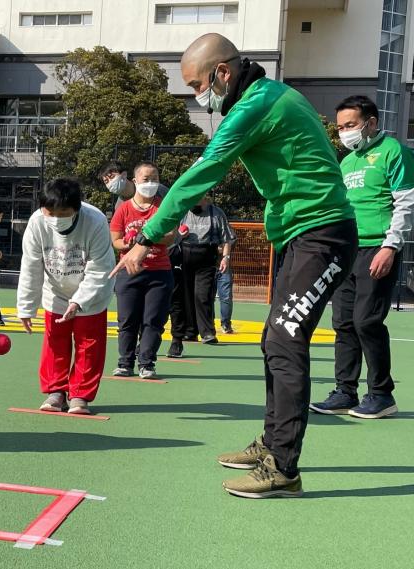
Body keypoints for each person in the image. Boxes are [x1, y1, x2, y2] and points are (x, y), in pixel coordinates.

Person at [113, 33, 356, 498]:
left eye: (197, 85)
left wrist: (145, 237)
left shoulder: (254, 107)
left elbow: (202, 172)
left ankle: (283, 467)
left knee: (285, 342)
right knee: (274, 339)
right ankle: (271, 444)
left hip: (323, 235)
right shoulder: (268, 96)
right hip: (301, 234)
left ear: (223, 73)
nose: (198, 97)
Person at [310, 95, 414, 419]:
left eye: (350, 125)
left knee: (366, 321)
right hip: (347, 251)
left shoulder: (393, 152)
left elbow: (406, 202)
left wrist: (390, 246)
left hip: (378, 248)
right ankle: (345, 391)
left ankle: (382, 395)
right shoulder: (347, 162)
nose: (344, 132)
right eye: (340, 127)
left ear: (371, 123)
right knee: (342, 322)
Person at [17, 178, 115, 415]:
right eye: (49, 211)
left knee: (89, 343)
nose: (55, 217)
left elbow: (99, 268)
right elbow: (31, 265)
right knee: (55, 339)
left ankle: (80, 395)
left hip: (92, 292)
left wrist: (79, 300)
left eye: (63, 212)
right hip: (56, 290)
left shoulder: (96, 221)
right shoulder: (37, 223)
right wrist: (26, 308)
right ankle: (55, 392)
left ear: (76, 208)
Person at [109, 162, 175, 379]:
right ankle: (125, 363)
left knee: (154, 321)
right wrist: (128, 244)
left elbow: (171, 235)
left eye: (155, 179)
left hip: (159, 272)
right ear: (135, 181)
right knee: (127, 320)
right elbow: (116, 241)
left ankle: (147, 363)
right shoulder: (123, 209)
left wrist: (147, 238)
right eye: (146, 179)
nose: (151, 183)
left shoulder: (163, 207)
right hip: (129, 273)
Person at [166, 197, 236, 357]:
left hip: (206, 257)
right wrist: (179, 235)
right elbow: (170, 236)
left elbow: (227, 238)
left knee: (203, 295)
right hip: (184, 255)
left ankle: (207, 332)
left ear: (205, 196)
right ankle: (190, 331)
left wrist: (225, 258)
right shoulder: (182, 211)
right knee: (185, 296)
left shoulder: (216, 213)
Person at [99, 160, 169, 210]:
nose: (110, 182)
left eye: (112, 177)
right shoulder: (119, 207)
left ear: (124, 175)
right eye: (106, 181)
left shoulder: (156, 189)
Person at [216, 242, 235, 334]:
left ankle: (226, 324)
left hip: (224, 268)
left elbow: (232, 241)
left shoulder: (226, 228)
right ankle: (207, 324)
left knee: (226, 297)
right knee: (205, 297)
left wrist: (224, 252)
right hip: (206, 266)